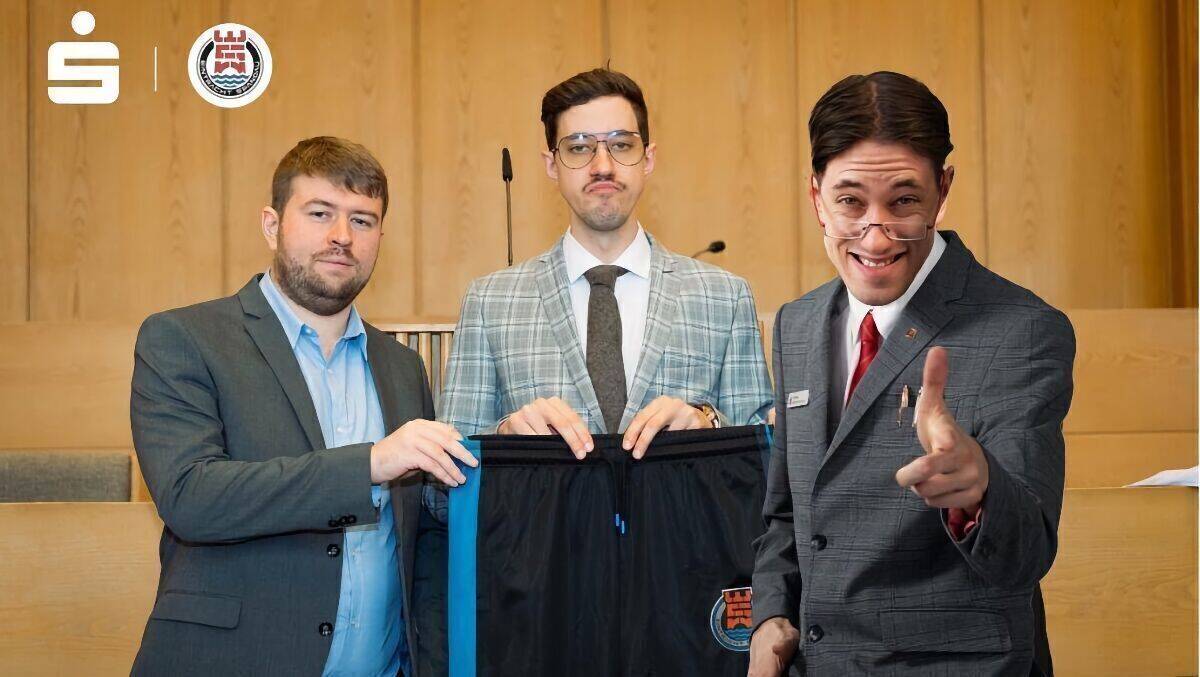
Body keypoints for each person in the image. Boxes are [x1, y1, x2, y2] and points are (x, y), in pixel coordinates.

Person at [749, 72, 1074, 676]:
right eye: (850, 202)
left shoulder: (1023, 329)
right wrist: (771, 617)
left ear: (942, 189)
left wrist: (981, 491)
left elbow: (1027, 553)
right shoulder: (796, 324)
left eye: (903, 201)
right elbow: (788, 514)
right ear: (816, 196)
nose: (876, 236)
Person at [130, 136, 474, 676]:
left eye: (362, 220)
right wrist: (368, 464)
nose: (342, 236)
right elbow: (191, 497)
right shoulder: (184, 338)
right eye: (320, 213)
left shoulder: (403, 367)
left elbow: (421, 544)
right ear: (272, 225)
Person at [438, 68, 773, 459]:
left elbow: (766, 457)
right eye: (579, 147)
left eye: (621, 145)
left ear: (648, 159)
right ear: (551, 165)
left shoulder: (724, 297)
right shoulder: (490, 302)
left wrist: (708, 424)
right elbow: (447, 470)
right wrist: (503, 435)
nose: (602, 166)